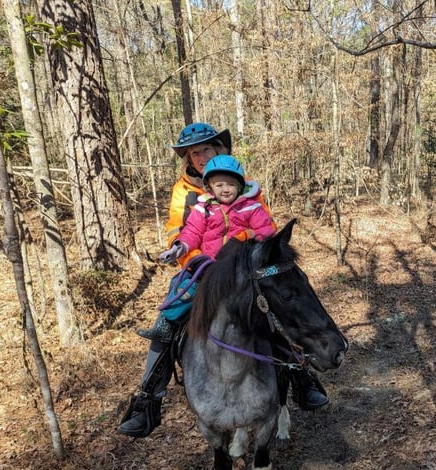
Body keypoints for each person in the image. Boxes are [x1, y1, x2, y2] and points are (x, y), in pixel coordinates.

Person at [118, 142, 327, 438]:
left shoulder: (251, 200)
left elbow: (267, 232)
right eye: (196, 154)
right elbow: (187, 232)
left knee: (281, 306)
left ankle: (301, 375)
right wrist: (182, 250)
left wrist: (257, 244)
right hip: (207, 271)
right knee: (172, 311)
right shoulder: (196, 201)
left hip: (247, 272)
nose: (202, 158)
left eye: (208, 151)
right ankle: (147, 399)